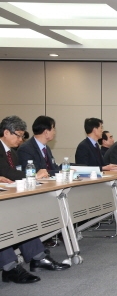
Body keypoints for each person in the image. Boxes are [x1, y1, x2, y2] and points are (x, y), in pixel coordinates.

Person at [0, 115, 69, 284]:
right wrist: (32, 175)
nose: (21, 139)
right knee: (5, 221)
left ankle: (37, 257)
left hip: (8, 196)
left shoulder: (12, 153)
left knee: (23, 218)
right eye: (18, 135)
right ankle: (10, 267)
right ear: (6, 132)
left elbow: (11, 173)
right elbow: (8, 173)